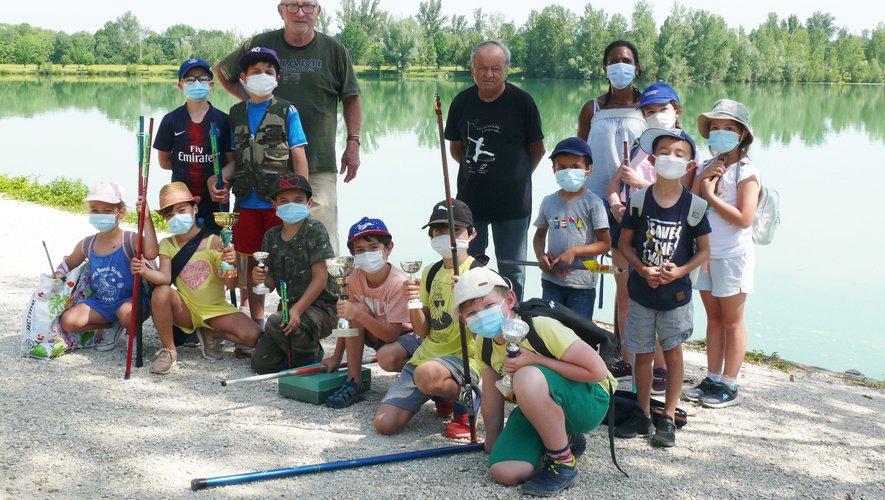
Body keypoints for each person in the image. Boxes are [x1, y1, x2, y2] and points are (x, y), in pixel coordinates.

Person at [215, 0, 362, 255]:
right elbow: (223, 72)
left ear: (318, 11)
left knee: (321, 239)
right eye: (293, 5)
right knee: (272, 246)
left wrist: (353, 143)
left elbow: (351, 97)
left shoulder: (334, 49)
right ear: (280, 10)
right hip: (267, 172)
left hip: (317, 163)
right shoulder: (261, 43)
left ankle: (324, 293)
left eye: (308, 6)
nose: (300, 12)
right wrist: (254, 103)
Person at [453, 266, 614, 496]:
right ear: (463, 319)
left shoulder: (540, 326)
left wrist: (535, 360)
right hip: (538, 406)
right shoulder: (484, 343)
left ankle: (562, 462)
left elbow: (598, 371)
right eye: (472, 314)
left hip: (589, 399)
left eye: (489, 306)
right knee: (504, 472)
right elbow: (491, 400)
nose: (482, 315)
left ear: (509, 299)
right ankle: (564, 438)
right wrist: (493, 443)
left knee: (526, 375)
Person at [615, 128, 711, 448]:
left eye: (679, 153)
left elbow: (704, 251)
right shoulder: (640, 200)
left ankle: (667, 417)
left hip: (676, 295)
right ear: (653, 160)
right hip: (642, 293)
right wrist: (641, 269)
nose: (671, 158)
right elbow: (624, 244)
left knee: (672, 355)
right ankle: (643, 414)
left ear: (691, 164)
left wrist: (679, 271)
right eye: (665, 153)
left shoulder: (694, 206)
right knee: (642, 354)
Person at [605, 82, 694, 393]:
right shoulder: (641, 145)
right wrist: (616, 204)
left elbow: (681, 195)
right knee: (626, 294)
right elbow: (615, 184)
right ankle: (627, 360)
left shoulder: (683, 149)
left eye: (662, 110)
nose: (656, 115)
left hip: (661, 235)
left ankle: (659, 364)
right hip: (626, 229)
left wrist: (641, 182)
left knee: (657, 298)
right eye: (649, 111)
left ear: (677, 111)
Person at [213, 47, 309, 334]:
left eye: (268, 72)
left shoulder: (287, 110)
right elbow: (233, 160)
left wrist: (304, 197)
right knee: (249, 261)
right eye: (255, 72)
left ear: (277, 78)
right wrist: (217, 180)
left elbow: (299, 155)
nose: (262, 77)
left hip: (278, 203)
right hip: (246, 202)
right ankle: (256, 320)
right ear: (243, 77)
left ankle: (289, 317)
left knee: (283, 260)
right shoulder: (236, 112)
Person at [444, 40, 545, 301]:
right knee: (470, 268)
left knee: (513, 271)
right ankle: (475, 319)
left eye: (496, 69)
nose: (489, 74)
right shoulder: (461, 102)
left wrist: (517, 175)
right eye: (483, 68)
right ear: (472, 69)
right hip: (470, 202)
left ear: (506, 70)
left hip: (513, 204)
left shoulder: (523, 102)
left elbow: (538, 150)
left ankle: (513, 323)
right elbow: (457, 149)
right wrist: (477, 170)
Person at [374, 200, 480, 439]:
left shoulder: (480, 273)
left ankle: (467, 402)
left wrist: (468, 301)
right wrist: (411, 301)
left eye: (454, 229)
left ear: (472, 234)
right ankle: (440, 394)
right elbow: (423, 331)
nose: (444, 235)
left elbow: (488, 335)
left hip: (465, 358)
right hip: (429, 354)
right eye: (438, 230)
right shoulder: (430, 271)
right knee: (384, 424)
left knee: (427, 374)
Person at [133, 182, 261, 374]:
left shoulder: (214, 240)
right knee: (161, 292)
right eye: (169, 215)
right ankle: (169, 350)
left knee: (253, 336)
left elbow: (231, 285)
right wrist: (144, 270)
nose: (176, 217)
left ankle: (209, 332)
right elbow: (164, 278)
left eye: (181, 209)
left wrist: (231, 263)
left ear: (194, 208)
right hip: (187, 309)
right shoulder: (167, 244)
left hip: (216, 309)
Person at [686, 99, 760, 409]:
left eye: (728, 128)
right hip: (705, 254)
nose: (720, 133)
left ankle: (730, 383)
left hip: (733, 255)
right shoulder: (706, 166)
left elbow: (744, 218)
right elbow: (689, 205)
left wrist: (711, 195)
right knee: (713, 319)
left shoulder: (747, 171)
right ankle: (713, 376)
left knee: (732, 321)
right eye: (715, 128)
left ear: (742, 134)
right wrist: (702, 182)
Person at [320, 217, 419, 409]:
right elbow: (346, 319)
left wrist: (358, 315)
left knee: (386, 358)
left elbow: (391, 333)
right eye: (360, 250)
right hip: (377, 333)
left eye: (373, 247)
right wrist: (336, 356)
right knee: (357, 310)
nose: (367, 254)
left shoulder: (398, 282)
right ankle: (353, 381)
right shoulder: (353, 277)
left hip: (405, 336)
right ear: (353, 255)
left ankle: (417, 374)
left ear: (388, 248)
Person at [53, 181, 158, 351]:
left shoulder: (130, 240)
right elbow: (67, 265)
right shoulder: (87, 244)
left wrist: (146, 218)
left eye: (108, 211)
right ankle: (110, 326)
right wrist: (57, 276)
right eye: (95, 211)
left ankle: (133, 333)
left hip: (132, 301)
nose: (100, 215)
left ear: (121, 213)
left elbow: (152, 252)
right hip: (101, 303)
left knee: (127, 313)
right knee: (67, 321)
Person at [250, 173, 338, 374]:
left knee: (275, 321)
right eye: (284, 201)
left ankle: (310, 355)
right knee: (261, 364)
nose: (291, 205)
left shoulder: (314, 229)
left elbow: (321, 278)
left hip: (322, 308)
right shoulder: (271, 236)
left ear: (309, 203)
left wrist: (297, 310)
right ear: (275, 205)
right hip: (290, 308)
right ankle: (297, 350)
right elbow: (271, 283)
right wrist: (261, 278)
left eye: (298, 200)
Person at [154, 58, 234, 234]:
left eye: (202, 79)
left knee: (216, 251)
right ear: (181, 86)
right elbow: (165, 162)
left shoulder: (224, 120)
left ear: (211, 85)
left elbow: (232, 162)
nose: (196, 83)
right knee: (183, 250)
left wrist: (222, 183)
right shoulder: (170, 120)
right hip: (182, 204)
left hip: (216, 202)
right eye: (189, 79)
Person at [532, 137, 610, 319]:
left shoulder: (594, 203)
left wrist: (574, 251)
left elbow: (605, 244)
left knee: (579, 333)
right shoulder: (548, 202)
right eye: (562, 167)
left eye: (575, 167)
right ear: (554, 170)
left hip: (582, 285)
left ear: (588, 169)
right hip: (552, 281)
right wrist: (540, 256)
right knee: (551, 328)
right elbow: (539, 236)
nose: (569, 172)